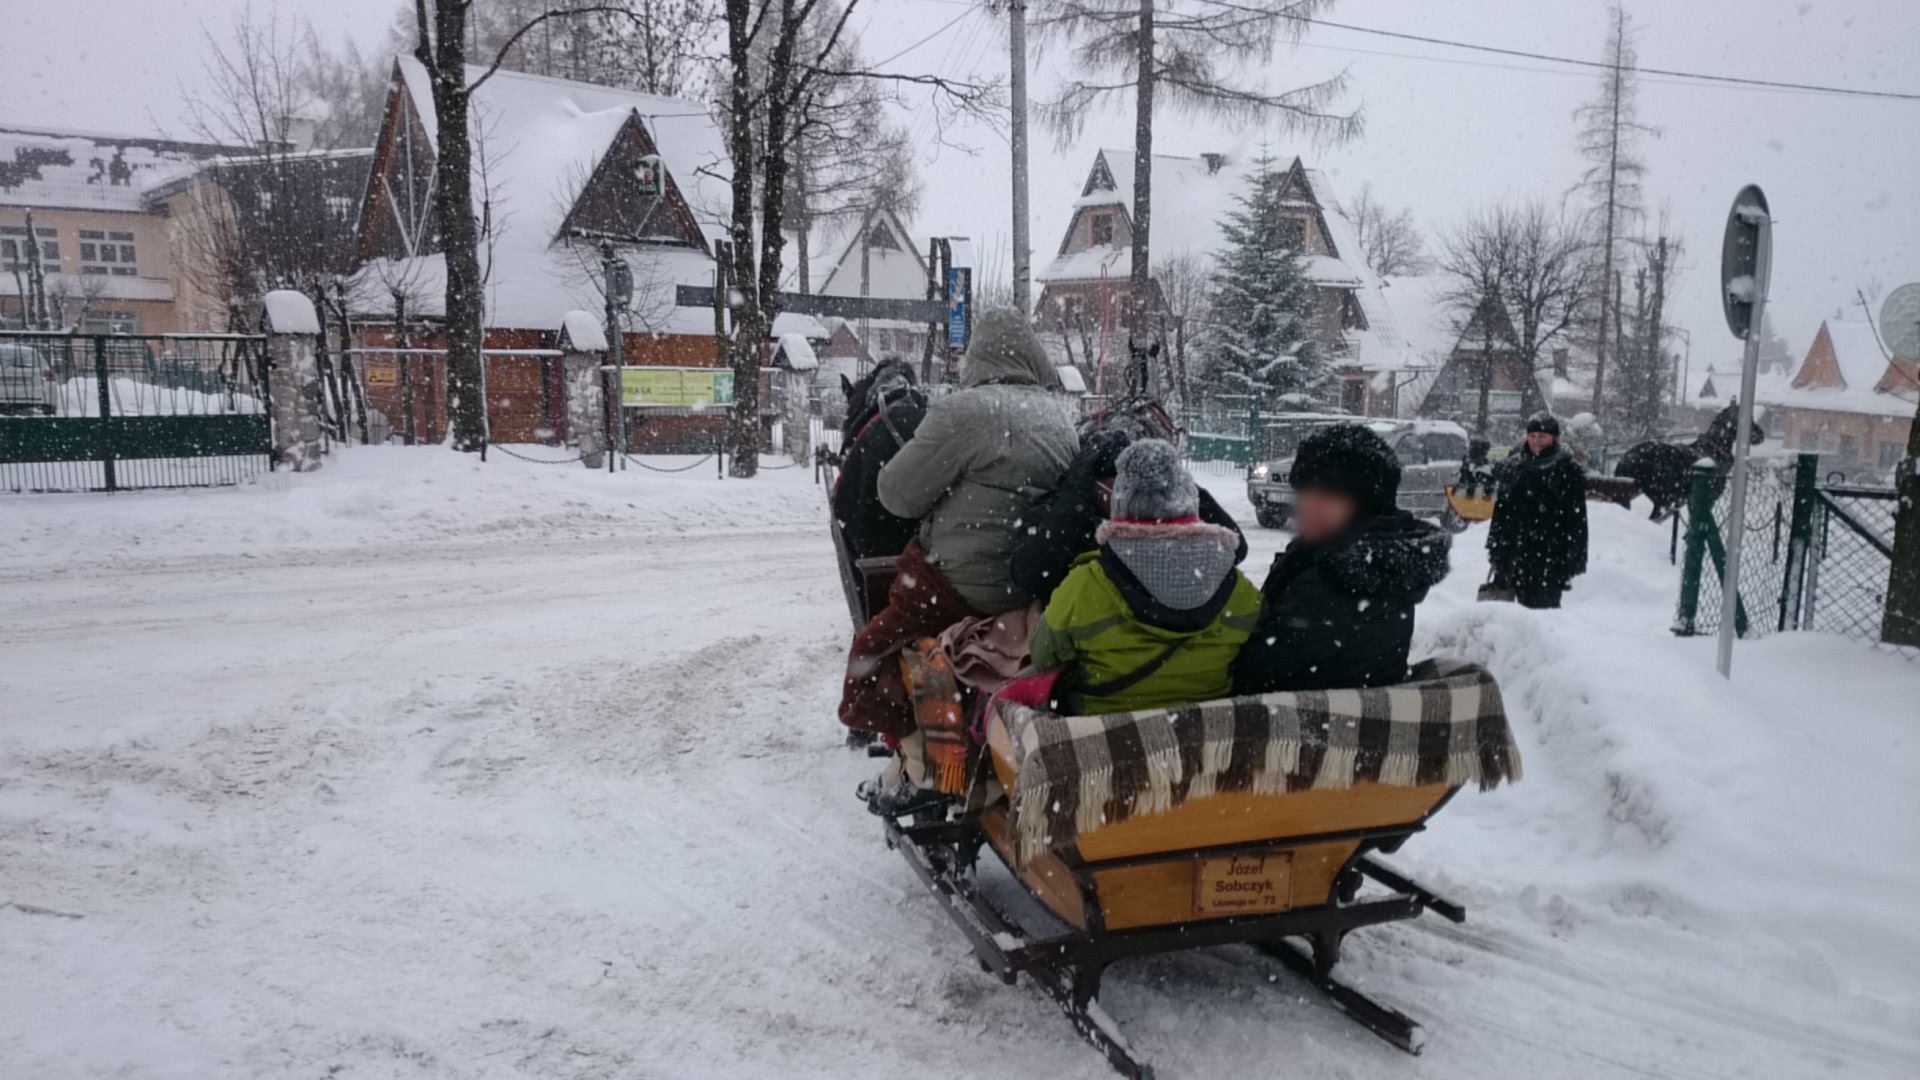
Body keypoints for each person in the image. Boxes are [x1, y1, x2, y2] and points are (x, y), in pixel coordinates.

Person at [838, 310, 1079, 737]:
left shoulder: (964, 411)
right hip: (1033, 589)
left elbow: (897, 495)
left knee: (872, 652)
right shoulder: (1059, 419)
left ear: (978, 357)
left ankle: (911, 750)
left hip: (960, 590)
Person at [1028, 439, 1262, 715]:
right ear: (1190, 498)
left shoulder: (1084, 585)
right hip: (1204, 736)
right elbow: (1254, 657)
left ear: (1119, 503)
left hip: (1107, 735)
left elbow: (1043, 656)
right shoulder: (1239, 590)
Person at [1233, 424, 1452, 695]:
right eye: (1304, 491)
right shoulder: (1367, 558)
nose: (1308, 505)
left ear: (1367, 502)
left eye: (1328, 495)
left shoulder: (1342, 579)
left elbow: (1248, 673)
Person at [1008, 427, 1247, 606]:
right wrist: (1074, 499)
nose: (1129, 494)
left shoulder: (1156, 508)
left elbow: (1236, 547)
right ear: (1096, 487)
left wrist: (1178, 484)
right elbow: (1030, 576)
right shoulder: (1060, 513)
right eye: (1121, 486)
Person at [1487, 412, 1589, 609]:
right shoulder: (1514, 466)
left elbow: (1577, 520)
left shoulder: (1567, 469)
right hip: (1514, 553)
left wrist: (1573, 559)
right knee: (1513, 620)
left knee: (1543, 615)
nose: (1536, 441)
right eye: (1532, 436)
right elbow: (1500, 514)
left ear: (1554, 438)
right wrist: (1497, 551)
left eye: (1542, 436)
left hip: (1550, 555)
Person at [830, 358, 925, 561]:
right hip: (923, 555)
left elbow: (844, 508)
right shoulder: (930, 424)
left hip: (872, 548)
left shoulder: (871, 431)